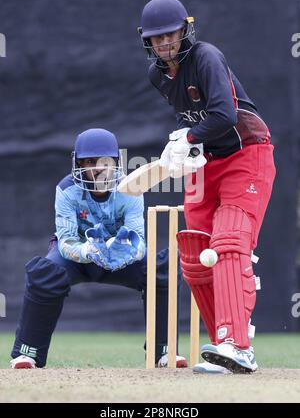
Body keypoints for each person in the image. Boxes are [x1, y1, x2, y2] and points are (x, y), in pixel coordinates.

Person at [138, 0, 276, 374]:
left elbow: (225, 114)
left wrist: (187, 137)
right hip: (207, 163)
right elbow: (197, 121)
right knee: (195, 253)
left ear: (185, 30)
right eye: (157, 38)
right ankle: (223, 342)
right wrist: (189, 146)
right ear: (146, 40)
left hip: (246, 154)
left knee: (229, 241)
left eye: (172, 34)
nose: (165, 44)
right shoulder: (157, 76)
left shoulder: (206, 57)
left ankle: (238, 344)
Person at [10, 128, 186, 369]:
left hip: (119, 257)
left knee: (162, 272)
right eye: (89, 162)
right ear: (77, 163)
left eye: (104, 161)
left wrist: (125, 252)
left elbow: (140, 240)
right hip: (78, 256)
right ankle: (27, 353)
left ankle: (164, 352)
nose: (97, 168)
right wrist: (88, 251)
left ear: (116, 162)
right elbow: (65, 240)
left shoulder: (131, 188)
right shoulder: (66, 189)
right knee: (46, 273)